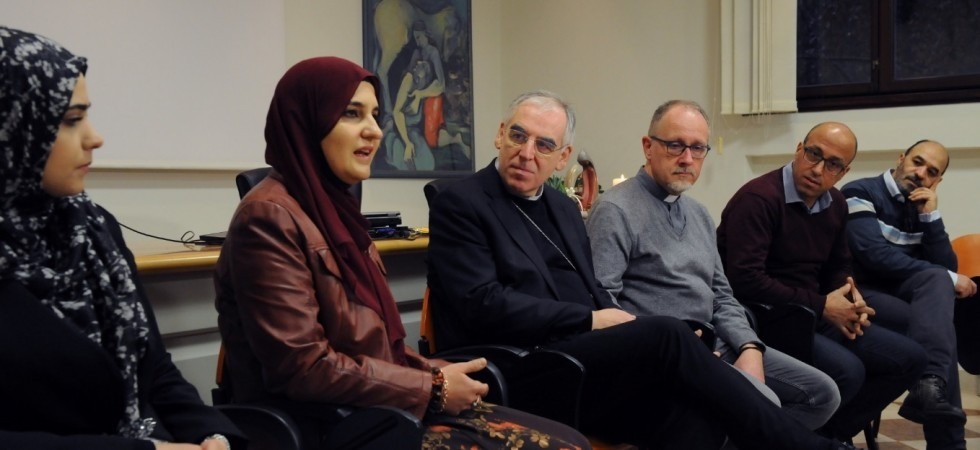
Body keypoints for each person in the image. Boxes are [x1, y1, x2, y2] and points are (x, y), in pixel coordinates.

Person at [427, 90, 858, 450]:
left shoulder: (560, 205)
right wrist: (594, 321)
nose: (526, 153)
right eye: (518, 136)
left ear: (562, 157)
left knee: (698, 415)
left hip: (575, 359)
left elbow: (594, 289)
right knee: (668, 333)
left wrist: (629, 330)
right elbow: (481, 304)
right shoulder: (461, 202)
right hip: (516, 365)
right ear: (500, 134)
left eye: (544, 145)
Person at [213, 57, 590, 450]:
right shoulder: (267, 217)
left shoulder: (336, 214)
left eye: (375, 116)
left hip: (378, 407)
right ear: (306, 121)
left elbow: (374, 348)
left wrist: (433, 374)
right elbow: (303, 369)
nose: (374, 131)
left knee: (570, 439)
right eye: (352, 114)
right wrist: (433, 387)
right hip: (331, 424)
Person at [0, 26, 243, 450]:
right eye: (71, 120)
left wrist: (212, 434)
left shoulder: (94, 230)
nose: (95, 137)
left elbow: (155, 368)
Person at [586, 99, 840, 430]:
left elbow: (721, 294)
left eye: (697, 148)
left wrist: (749, 345)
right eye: (675, 145)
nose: (687, 158)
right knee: (765, 404)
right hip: (666, 352)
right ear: (648, 147)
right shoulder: (615, 210)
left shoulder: (698, 213)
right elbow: (603, 302)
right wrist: (685, 352)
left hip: (717, 341)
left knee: (822, 394)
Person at [717, 122, 927, 442]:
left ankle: (826, 438)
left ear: (844, 172)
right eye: (814, 154)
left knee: (910, 359)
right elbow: (743, 280)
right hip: (768, 317)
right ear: (799, 149)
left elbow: (838, 265)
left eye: (832, 164)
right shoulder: (758, 198)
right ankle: (804, 441)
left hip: (813, 313)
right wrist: (823, 305)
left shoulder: (836, 203)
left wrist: (850, 297)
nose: (817, 169)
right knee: (849, 371)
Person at [842, 139, 976, 449]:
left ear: (938, 181)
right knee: (938, 329)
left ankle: (929, 389)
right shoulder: (860, 191)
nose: (921, 173)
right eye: (917, 162)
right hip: (861, 293)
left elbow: (944, 270)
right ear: (901, 158)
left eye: (932, 171)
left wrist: (931, 217)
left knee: (937, 312)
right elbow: (873, 255)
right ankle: (949, 444)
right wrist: (947, 277)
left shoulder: (920, 205)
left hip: (902, 297)